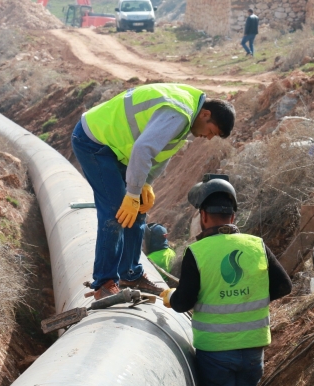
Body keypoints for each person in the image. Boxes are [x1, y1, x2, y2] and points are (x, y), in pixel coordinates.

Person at [160, 174, 292, 386]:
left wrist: (166, 296)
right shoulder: (256, 245)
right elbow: (284, 286)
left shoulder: (198, 252)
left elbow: (183, 302)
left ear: (203, 216)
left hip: (216, 352)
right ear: (233, 216)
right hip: (253, 348)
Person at [71, 83, 236, 299]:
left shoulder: (187, 116)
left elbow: (160, 152)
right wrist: (131, 193)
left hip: (117, 148)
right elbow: (143, 149)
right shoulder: (179, 112)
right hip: (93, 141)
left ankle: (130, 274)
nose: (208, 137)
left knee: (137, 209)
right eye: (211, 132)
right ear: (205, 114)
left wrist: (145, 183)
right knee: (115, 212)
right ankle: (104, 282)